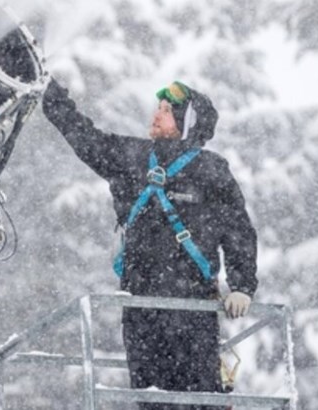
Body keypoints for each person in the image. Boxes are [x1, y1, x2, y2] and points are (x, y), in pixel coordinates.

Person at [42, 79, 258, 406]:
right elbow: (84, 137)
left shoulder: (212, 171)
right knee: (151, 399)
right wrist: (49, 92)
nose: (157, 114)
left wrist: (242, 285)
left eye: (168, 111)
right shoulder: (133, 157)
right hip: (140, 307)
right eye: (158, 108)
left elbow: (238, 229)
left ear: (188, 124)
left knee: (200, 400)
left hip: (193, 310)